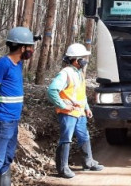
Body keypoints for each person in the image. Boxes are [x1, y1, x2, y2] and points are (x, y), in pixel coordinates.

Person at [0, 27, 36, 186]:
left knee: (7, 159)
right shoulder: (3, 64)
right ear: (22, 48)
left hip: (13, 120)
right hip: (2, 120)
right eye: (29, 47)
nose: (31, 50)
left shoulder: (18, 64)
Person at [47, 43, 103, 179]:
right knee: (66, 139)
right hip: (68, 114)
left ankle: (88, 162)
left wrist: (87, 108)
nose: (85, 60)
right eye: (83, 58)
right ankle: (62, 168)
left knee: (84, 136)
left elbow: (81, 93)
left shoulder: (79, 73)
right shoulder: (65, 73)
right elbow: (52, 90)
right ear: (76, 60)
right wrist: (63, 105)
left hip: (79, 113)